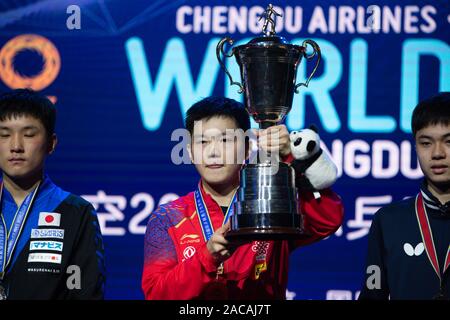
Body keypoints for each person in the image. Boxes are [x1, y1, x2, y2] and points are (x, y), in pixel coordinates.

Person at [142, 97, 344, 299]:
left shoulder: (271, 205)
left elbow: (328, 219)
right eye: (202, 142)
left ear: (247, 149)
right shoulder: (167, 218)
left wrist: (290, 157)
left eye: (225, 140)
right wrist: (206, 258)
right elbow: (156, 294)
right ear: (190, 152)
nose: (213, 152)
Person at [0, 88, 105, 299]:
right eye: (4, 135)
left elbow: (85, 293)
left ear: (51, 144)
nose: (16, 146)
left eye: (29, 135)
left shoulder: (76, 212)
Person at [359, 92, 450, 300]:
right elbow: (373, 295)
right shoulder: (388, 220)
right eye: (426, 143)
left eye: (448, 141)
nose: (437, 153)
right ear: (415, 146)